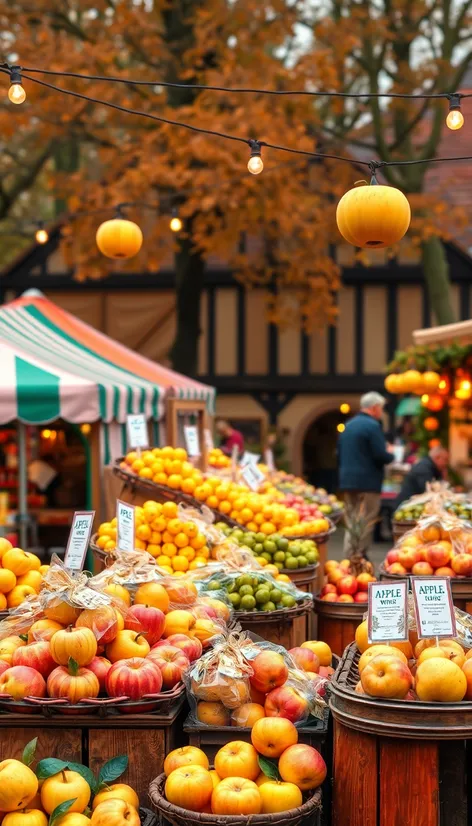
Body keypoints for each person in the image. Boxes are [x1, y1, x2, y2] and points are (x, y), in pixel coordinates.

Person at [338, 391, 394, 554]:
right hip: (368, 483)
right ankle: (356, 559)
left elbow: (339, 454)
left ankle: (349, 558)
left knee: (352, 523)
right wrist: (390, 453)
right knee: (365, 523)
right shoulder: (373, 426)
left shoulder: (348, 425)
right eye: (381, 408)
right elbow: (380, 455)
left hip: (347, 481)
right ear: (375, 407)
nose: (381, 412)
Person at [394, 445, 449, 509]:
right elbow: (430, 492)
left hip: (410, 505)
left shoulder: (428, 466)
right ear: (437, 457)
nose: (446, 463)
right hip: (407, 506)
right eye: (445, 460)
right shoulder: (424, 468)